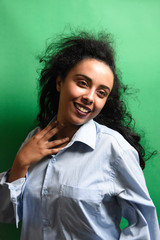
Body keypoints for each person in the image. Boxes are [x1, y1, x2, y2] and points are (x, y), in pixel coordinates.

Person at [0, 31, 159, 240]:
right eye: (83, 83)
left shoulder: (114, 149)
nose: (90, 98)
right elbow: (7, 215)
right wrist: (20, 163)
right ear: (59, 83)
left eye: (101, 93)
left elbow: (146, 226)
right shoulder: (34, 140)